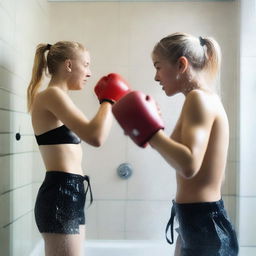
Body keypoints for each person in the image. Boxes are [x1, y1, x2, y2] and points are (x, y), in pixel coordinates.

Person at [112, 32, 239, 255]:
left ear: (181, 65)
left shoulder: (197, 99)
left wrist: (150, 132)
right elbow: (183, 159)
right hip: (197, 221)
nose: (156, 77)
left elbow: (189, 165)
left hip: (204, 223)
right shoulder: (204, 99)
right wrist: (150, 131)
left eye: (158, 67)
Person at [27, 41, 130, 256]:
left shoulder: (59, 98)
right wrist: (108, 100)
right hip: (61, 191)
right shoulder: (51, 95)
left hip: (70, 191)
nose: (90, 73)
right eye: (86, 64)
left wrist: (109, 102)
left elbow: (94, 130)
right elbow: (95, 136)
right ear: (69, 65)